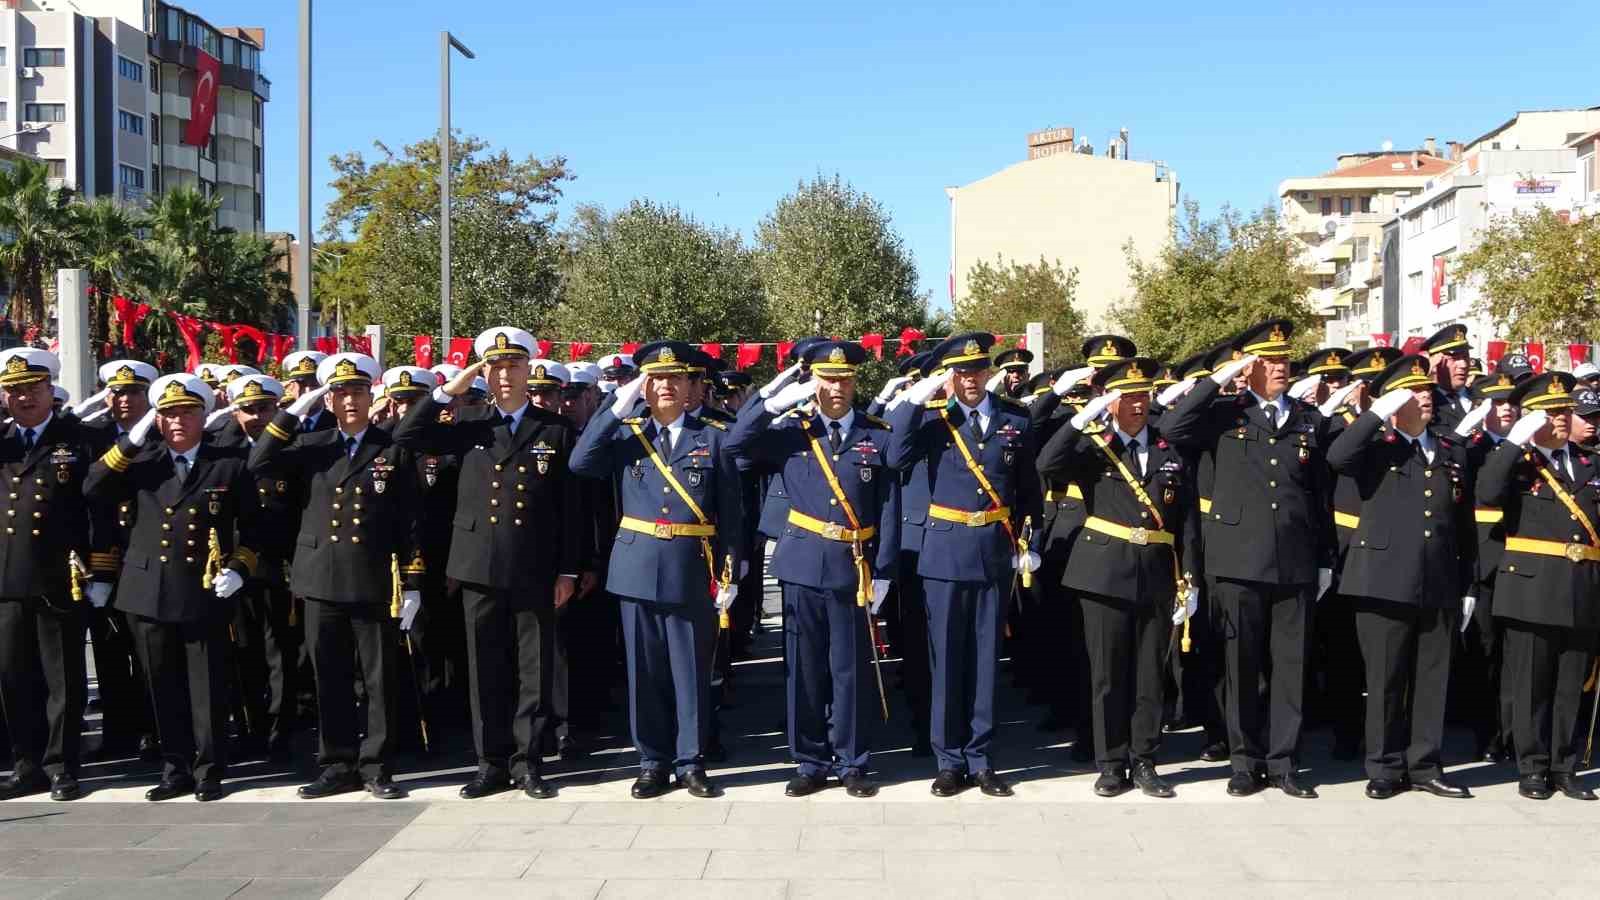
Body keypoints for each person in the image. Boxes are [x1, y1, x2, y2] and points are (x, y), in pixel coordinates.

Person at [394, 328, 582, 799]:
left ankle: (528, 761)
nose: (503, 375)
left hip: (534, 564)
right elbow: (407, 433)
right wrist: (449, 388)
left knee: (533, 670)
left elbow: (570, 507)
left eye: (512, 366)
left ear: (528, 370)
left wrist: (569, 570)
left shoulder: (554, 429)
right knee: (485, 669)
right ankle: (490, 762)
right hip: (477, 565)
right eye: (494, 367)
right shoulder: (468, 423)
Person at [1162, 320, 1332, 799]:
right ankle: (1244, 761)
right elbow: (1173, 426)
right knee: (1241, 666)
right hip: (1237, 561)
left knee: (1290, 666)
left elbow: (1319, 494)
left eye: (1284, 360)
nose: (1281, 367)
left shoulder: (1306, 417)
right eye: (1269, 361)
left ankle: (1283, 762)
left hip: (1295, 561)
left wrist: (1325, 558)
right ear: (1251, 366)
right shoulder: (1223, 413)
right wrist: (1220, 378)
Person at [570, 341, 744, 799]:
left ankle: (692, 761)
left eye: (675, 379)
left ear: (690, 386)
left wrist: (729, 574)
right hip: (638, 567)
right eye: (656, 380)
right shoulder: (627, 434)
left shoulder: (714, 437)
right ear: (644, 385)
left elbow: (730, 512)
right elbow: (580, 461)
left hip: (692, 567)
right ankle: (651, 762)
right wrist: (619, 401)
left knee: (691, 672)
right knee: (644, 672)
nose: (665, 386)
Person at [729, 340, 897, 798]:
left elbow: (888, 505)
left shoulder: (876, 434)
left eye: (844, 379)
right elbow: (734, 443)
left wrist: (884, 570)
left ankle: (853, 761)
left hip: (853, 566)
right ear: (814, 382)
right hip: (802, 562)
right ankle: (809, 760)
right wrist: (773, 399)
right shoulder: (790, 432)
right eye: (827, 379)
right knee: (804, 669)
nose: (836, 387)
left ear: (855, 382)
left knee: (851, 670)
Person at [84, 373, 264, 802]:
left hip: (204, 588)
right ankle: (175, 766)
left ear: (204, 416)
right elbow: (93, 486)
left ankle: (210, 768)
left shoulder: (228, 464)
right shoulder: (141, 463)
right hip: (148, 589)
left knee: (206, 685)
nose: (178, 421)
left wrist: (240, 566)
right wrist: (133, 438)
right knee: (160, 685)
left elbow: (258, 527)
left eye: (187, 412)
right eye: (167, 414)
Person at [249, 354, 422, 799]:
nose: (349, 400)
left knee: (379, 679)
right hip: (320, 577)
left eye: (357, 392)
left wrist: (413, 582)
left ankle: (377, 765)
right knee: (329, 675)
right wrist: (294, 409)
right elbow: (259, 462)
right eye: (340, 392)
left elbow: (410, 522)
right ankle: (336, 763)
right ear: (329, 398)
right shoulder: (313, 446)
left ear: (371, 397)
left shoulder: (392, 448)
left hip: (373, 578)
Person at [884, 331, 1041, 798]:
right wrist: (917, 398)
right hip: (944, 554)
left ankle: (982, 757)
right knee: (946, 661)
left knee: (986, 662)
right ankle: (948, 759)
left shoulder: (1015, 418)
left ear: (989, 373)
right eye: (960, 372)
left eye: (976, 370)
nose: (970, 380)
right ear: (948, 377)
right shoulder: (933, 421)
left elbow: (1027, 486)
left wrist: (1028, 539)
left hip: (993, 550)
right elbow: (894, 455)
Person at [1037, 356, 1201, 798]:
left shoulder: (1170, 450)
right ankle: (1111, 763)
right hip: (1103, 573)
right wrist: (1084, 417)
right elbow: (1046, 463)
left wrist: (1190, 577)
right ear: (1111, 402)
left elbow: (1186, 521)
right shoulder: (1094, 449)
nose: (1136, 404)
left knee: (1150, 673)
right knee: (1108, 674)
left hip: (1156, 574)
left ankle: (1145, 760)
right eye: (1126, 396)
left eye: (1141, 395)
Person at [1327, 355, 1476, 800]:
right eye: (1415, 391)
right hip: (1382, 581)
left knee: (1433, 678)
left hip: (1439, 580)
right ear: (1395, 401)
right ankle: (1385, 767)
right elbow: (1337, 456)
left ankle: (1426, 764)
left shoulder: (1451, 449)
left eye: (1428, 390)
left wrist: (1468, 583)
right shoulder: (1376, 447)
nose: (1426, 397)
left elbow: (1462, 523)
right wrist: (1376, 411)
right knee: (1387, 679)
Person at [1475, 372, 1600, 801]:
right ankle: (1532, 767)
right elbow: (1487, 493)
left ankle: (1565, 767)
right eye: (1553, 411)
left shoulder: (1589, 462)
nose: (1563, 417)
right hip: (1531, 589)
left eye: (1565, 409)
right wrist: (1513, 442)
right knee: (1531, 684)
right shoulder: (1517, 463)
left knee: (1571, 684)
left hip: (1582, 586)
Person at [0, 348, 103, 801]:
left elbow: (100, 509)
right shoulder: (2, 441)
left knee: (63, 679)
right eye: (14, 390)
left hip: (60, 577)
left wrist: (100, 568)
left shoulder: (78, 438)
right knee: (13, 677)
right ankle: (27, 764)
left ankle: (62, 765)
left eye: (33, 388)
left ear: (50, 390)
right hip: (6, 578)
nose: (24, 398)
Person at [211, 374, 301, 760]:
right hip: (236, 569)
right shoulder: (221, 452)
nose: (257, 416)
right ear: (235, 412)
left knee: (282, 652)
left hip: (281, 565)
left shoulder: (292, 450)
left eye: (265, 408)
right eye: (248, 410)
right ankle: (251, 726)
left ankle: (281, 730)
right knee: (242, 650)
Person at [78, 359, 161, 762]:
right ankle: (117, 732)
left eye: (133, 392)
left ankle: (153, 730)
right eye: (116, 392)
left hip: (147, 555)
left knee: (148, 652)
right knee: (109, 654)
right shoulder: (89, 435)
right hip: (102, 556)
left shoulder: (162, 434)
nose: (123, 399)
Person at [1452, 371, 1520, 764]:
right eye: (1496, 403)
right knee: (1486, 651)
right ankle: (1489, 733)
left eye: (1511, 402)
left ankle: (1513, 733)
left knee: (1517, 654)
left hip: (1521, 555)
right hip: (1483, 557)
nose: (1506, 408)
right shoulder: (1471, 449)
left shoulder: (1528, 448)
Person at [1426, 325, 1474, 432]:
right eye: (1454, 357)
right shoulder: (1425, 402)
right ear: (1435, 361)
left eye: (1466, 357)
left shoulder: (1481, 397)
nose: (1463, 364)